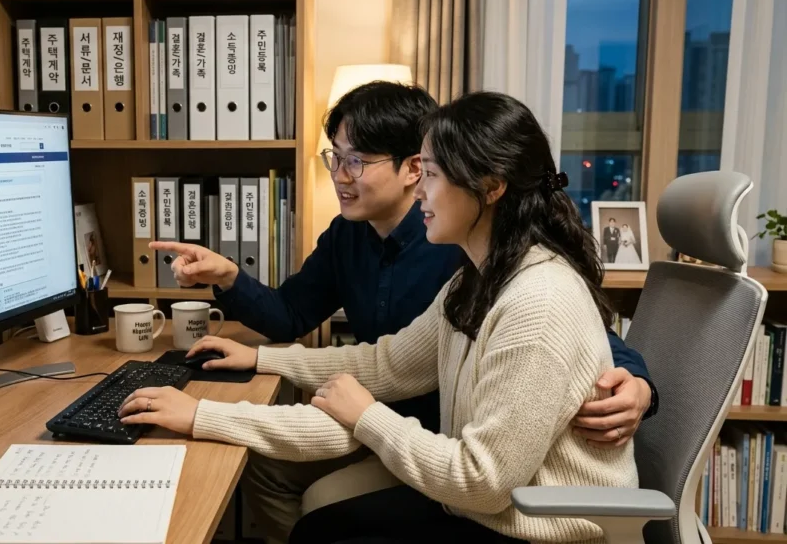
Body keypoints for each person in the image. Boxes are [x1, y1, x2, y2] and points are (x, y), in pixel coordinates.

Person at [121, 91, 639, 543]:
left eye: (431, 175)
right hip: (473, 496)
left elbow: (484, 480)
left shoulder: (536, 298)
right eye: (336, 158)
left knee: (320, 526)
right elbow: (387, 363)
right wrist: (250, 369)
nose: (421, 193)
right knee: (317, 527)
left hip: (524, 524)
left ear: (490, 186)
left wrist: (364, 414)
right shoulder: (477, 278)